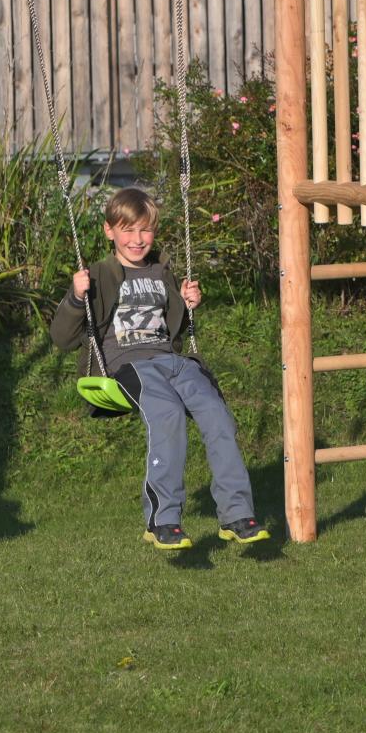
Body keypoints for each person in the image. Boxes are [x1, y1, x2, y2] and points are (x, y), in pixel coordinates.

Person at [49, 187, 270, 551]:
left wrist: (186, 304)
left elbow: (170, 329)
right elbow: (62, 337)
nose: (138, 240)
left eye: (145, 230)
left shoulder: (161, 271)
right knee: (167, 414)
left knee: (217, 414)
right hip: (128, 365)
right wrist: (75, 297)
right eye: (128, 230)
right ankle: (163, 520)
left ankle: (236, 514)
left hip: (172, 360)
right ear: (110, 231)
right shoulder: (100, 274)